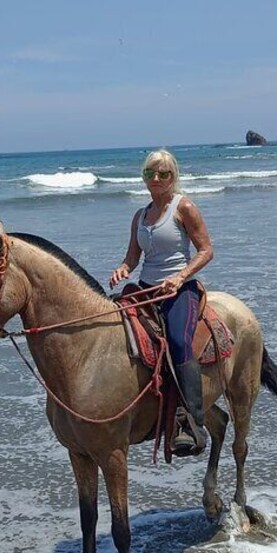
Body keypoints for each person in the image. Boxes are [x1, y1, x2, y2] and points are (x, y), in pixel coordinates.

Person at [109, 149, 214, 456]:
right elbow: (133, 257)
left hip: (180, 290)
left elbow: (206, 250)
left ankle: (190, 422)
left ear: (173, 177)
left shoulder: (184, 207)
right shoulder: (139, 216)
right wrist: (123, 269)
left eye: (163, 174)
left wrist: (181, 277)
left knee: (179, 342)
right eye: (150, 173)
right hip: (146, 289)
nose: (156, 179)